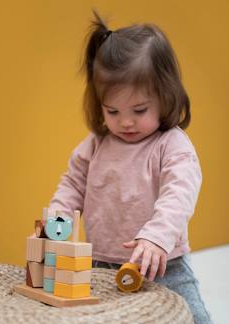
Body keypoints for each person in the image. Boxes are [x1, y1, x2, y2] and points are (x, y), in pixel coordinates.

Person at [48, 9, 212, 324]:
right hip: (99, 265)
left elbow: (179, 194)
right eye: (112, 111)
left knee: (194, 318)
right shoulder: (96, 143)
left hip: (164, 265)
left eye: (139, 110)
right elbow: (72, 186)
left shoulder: (171, 146)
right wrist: (57, 225)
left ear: (166, 97)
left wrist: (155, 238)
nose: (125, 122)